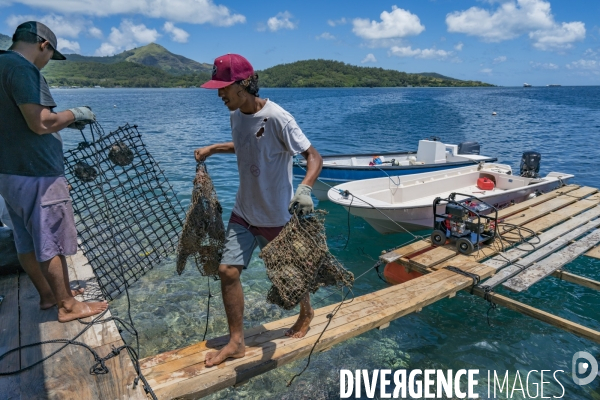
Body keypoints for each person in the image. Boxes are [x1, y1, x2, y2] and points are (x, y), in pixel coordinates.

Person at [195, 54, 323, 367]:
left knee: (286, 276)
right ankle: (236, 342)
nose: (219, 94)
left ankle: (306, 311)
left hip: (276, 215)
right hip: (244, 210)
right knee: (227, 271)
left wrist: (305, 189)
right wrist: (214, 148)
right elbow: (247, 144)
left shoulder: (279, 118)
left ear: (243, 84)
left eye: (224, 88)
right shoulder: (236, 114)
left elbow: (314, 157)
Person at [0, 21, 108, 322]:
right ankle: (68, 305)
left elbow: (21, 120)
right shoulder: (22, 68)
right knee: (49, 239)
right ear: (43, 45)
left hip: (10, 173)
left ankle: (49, 296)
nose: (47, 63)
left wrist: (63, 121)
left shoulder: (1, 65)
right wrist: (75, 113)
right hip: (37, 174)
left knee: (26, 240)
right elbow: (41, 122)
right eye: (50, 56)